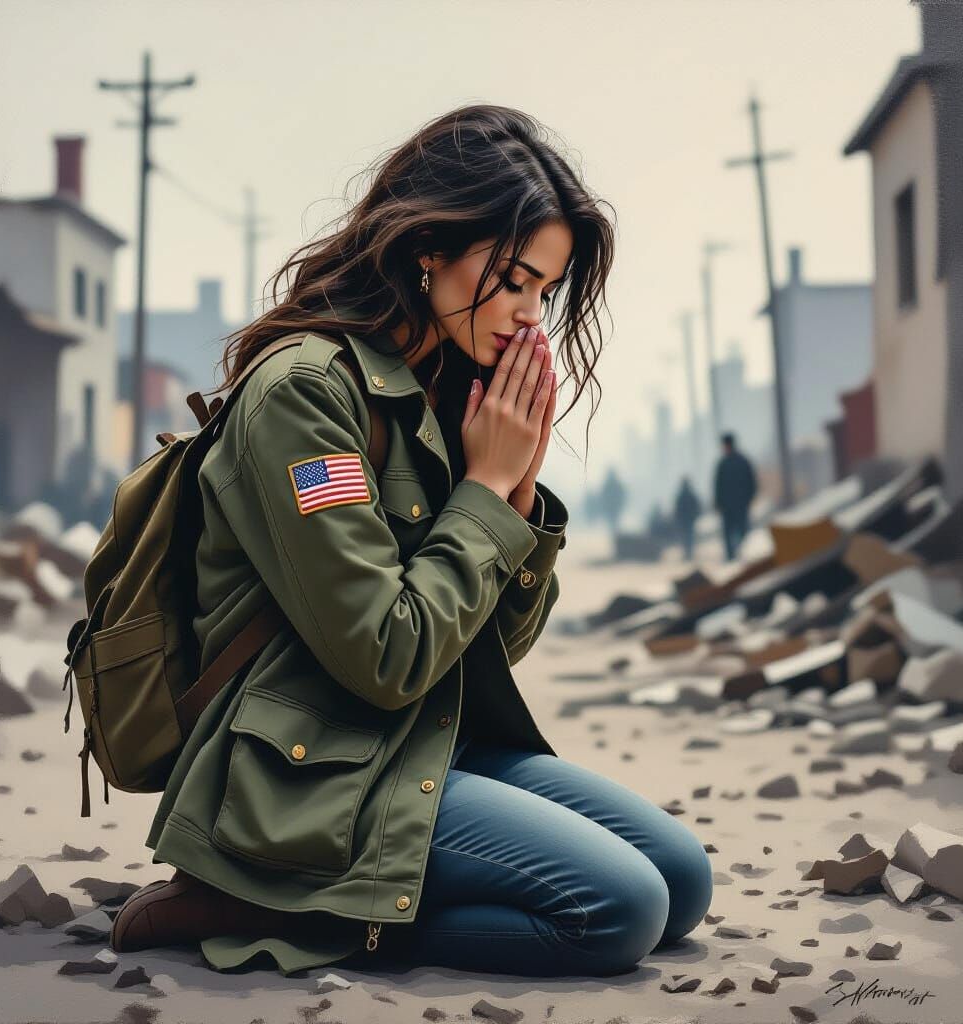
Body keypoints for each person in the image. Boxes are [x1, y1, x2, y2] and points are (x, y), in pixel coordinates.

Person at [109, 103, 712, 979]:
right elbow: (386, 657)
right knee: (619, 910)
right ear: (430, 246)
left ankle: (324, 893)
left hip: (424, 738)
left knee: (682, 880)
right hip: (310, 773)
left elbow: (483, 649)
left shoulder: (440, 383)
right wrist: (478, 494)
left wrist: (515, 493)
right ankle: (261, 892)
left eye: (543, 290)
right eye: (509, 278)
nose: (527, 316)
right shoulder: (305, 395)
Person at [713, 431, 757, 561]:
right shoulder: (742, 461)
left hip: (732, 506)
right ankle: (736, 556)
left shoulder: (724, 463)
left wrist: (718, 503)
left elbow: (718, 486)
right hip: (737, 505)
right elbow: (752, 483)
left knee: (734, 532)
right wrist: (748, 499)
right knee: (739, 532)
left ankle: (733, 556)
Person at [673, 476, 702, 560]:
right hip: (688, 519)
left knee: (686, 536)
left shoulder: (681, 495)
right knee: (689, 536)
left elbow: (677, 508)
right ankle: (688, 553)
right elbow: (697, 506)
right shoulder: (690, 494)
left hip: (685, 519)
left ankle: (687, 553)